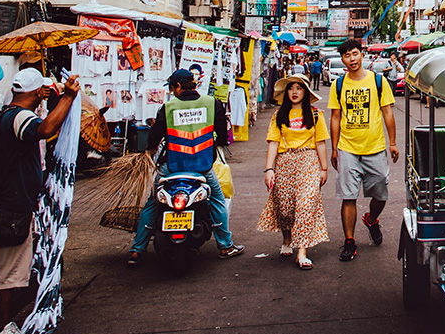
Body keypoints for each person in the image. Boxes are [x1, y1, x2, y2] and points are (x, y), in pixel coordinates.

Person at [0, 70, 79, 334]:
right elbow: (45, 130)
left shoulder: (9, 114)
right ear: (34, 92)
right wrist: (68, 96)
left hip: (10, 200)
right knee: (11, 266)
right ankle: (2, 328)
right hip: (11, 203)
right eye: (41, 90)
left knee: (7, 248)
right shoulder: (19, 117)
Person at [127, 69, 245, 266]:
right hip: (203, 168)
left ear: (178, 86)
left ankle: (137, 250)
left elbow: (154, 137)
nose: (172, 92)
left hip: (171, 168)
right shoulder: (211, 103)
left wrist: (148, 151)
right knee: (217, 200)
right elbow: (222, 133)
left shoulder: (168, 107)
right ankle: (225, 245)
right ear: (194, 83)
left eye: (172, 88)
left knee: (153, 203)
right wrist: (219, 143)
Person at [329, 39, 398, 262]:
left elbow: (387, 112)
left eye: (355, 54)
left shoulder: (378, 81)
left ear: (362, 55)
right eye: (347, 55)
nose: (352, 59)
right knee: (348, 196)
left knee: (380, 194)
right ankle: (349, 241)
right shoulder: (338, 85)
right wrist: (334, 148)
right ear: (343, 60)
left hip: (375, 148)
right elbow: (335, 118)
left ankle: (371, 219)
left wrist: (393, 142)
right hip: (347, 148)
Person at [258, 74, 329, 270]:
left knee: (306, 204)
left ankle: (302, 252)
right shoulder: (278, 116)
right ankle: (287, 239)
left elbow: (321, 143)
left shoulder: (316, 115)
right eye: (291, 88)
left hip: (308, 161)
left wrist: (324, 168)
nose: (295, 92)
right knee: (286, 206)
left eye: (299, 88)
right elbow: (273, 143)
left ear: (306, 92)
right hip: (284, 163)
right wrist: (269, 169)